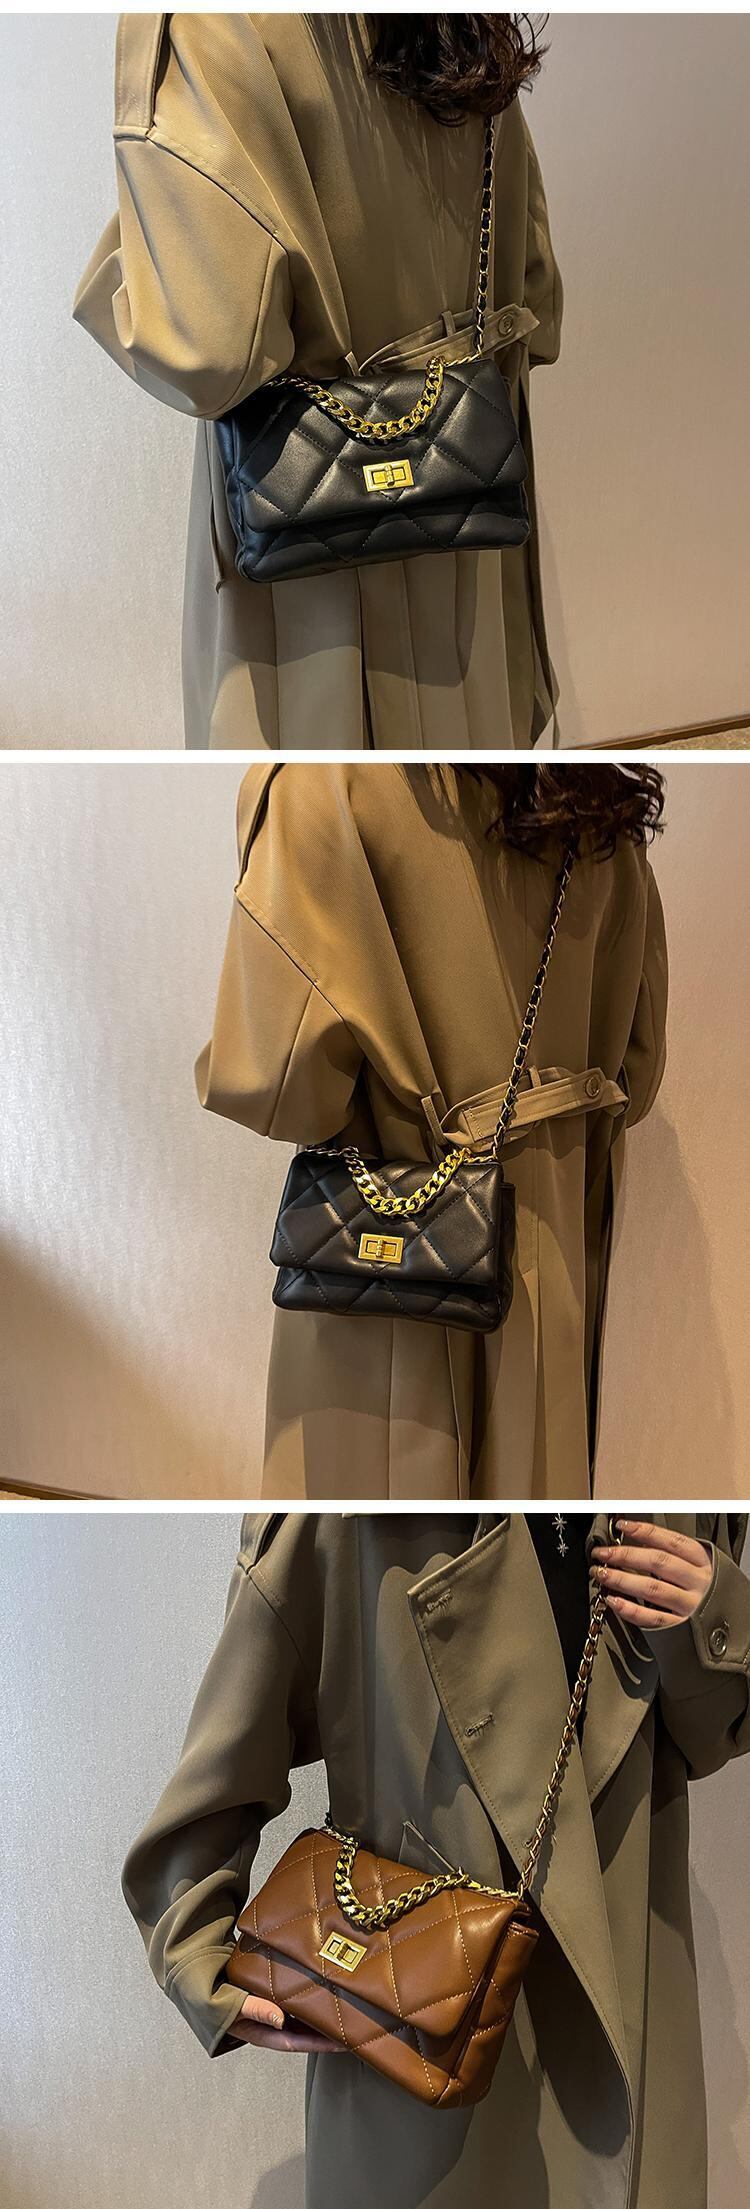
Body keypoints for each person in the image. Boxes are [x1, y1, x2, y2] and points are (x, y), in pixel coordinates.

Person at [122, 1508, 750, 2209]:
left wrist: (718, 1614)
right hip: (419, 2075)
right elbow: (217, 1779)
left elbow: (707, 1737)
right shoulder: (351, 1518)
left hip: (637, 2026)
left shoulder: (680, 1500)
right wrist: (201, 1959)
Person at [73, 13, 562, 750]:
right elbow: (535, 290)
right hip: (469, 521)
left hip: (307, 565)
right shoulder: (461, 25)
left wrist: (117, 276)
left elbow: (206, 349)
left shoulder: (212, 24)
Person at [196, 759, 668, 1498]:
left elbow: (279, 1088)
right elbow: (637, 1070)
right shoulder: (602, 817)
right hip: (558, 1265)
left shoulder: (326, 786)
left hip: (390, 1293)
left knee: (384, 1534)